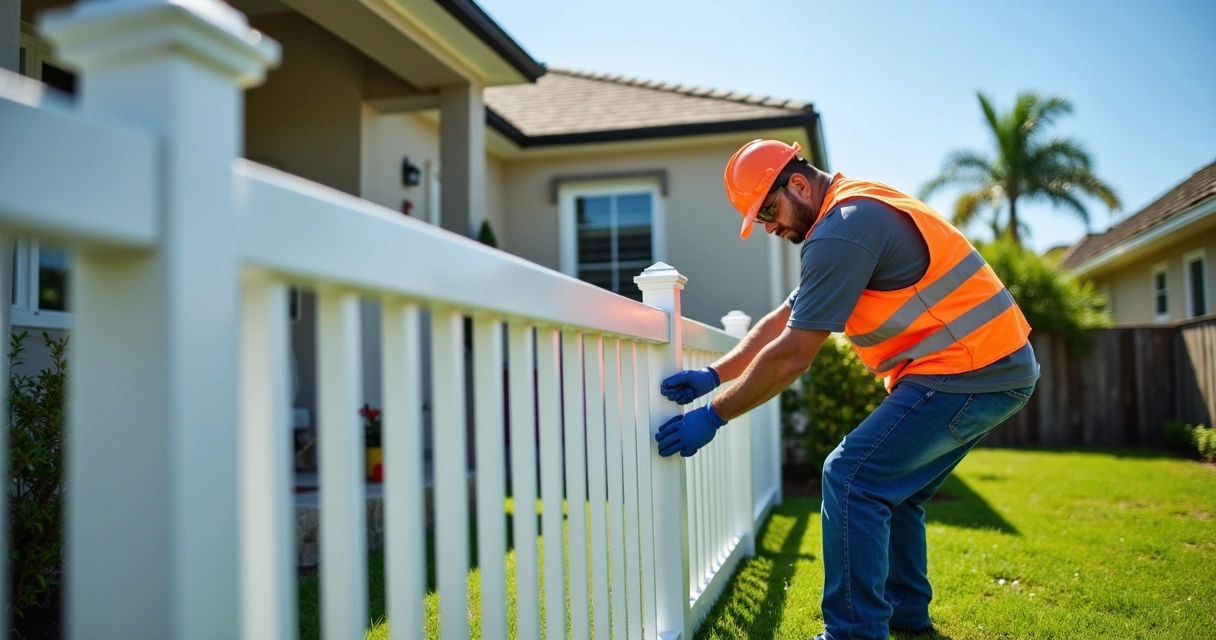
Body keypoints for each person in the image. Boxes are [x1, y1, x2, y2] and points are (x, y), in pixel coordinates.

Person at [655, 139, 1040, 640]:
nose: (770, 226)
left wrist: (713, 415)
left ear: (798, 183)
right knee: (893, 494)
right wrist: (715, 374)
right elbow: (783, 320)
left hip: (967, 370)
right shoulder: (847, 213)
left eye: (768, 210)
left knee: (852, 476)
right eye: (761, 219)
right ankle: (906, 617)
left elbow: (794, 353)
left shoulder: (843, 230)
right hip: (992, 368)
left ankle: (854, 633)